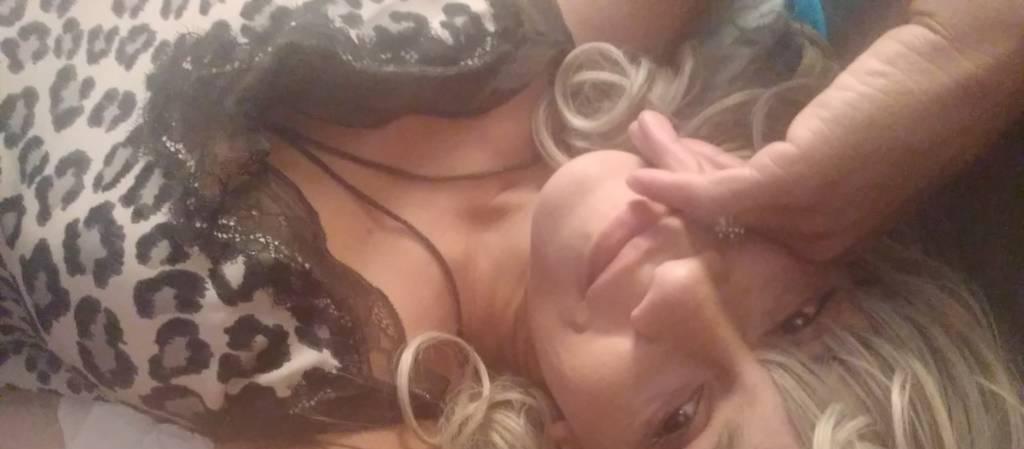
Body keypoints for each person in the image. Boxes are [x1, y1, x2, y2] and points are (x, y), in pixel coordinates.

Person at [0, 2, 1021, 449]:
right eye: (800, 316)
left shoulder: (360, 410)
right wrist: (950, 66)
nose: (678, 293)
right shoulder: (603, 32)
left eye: (677, 421)